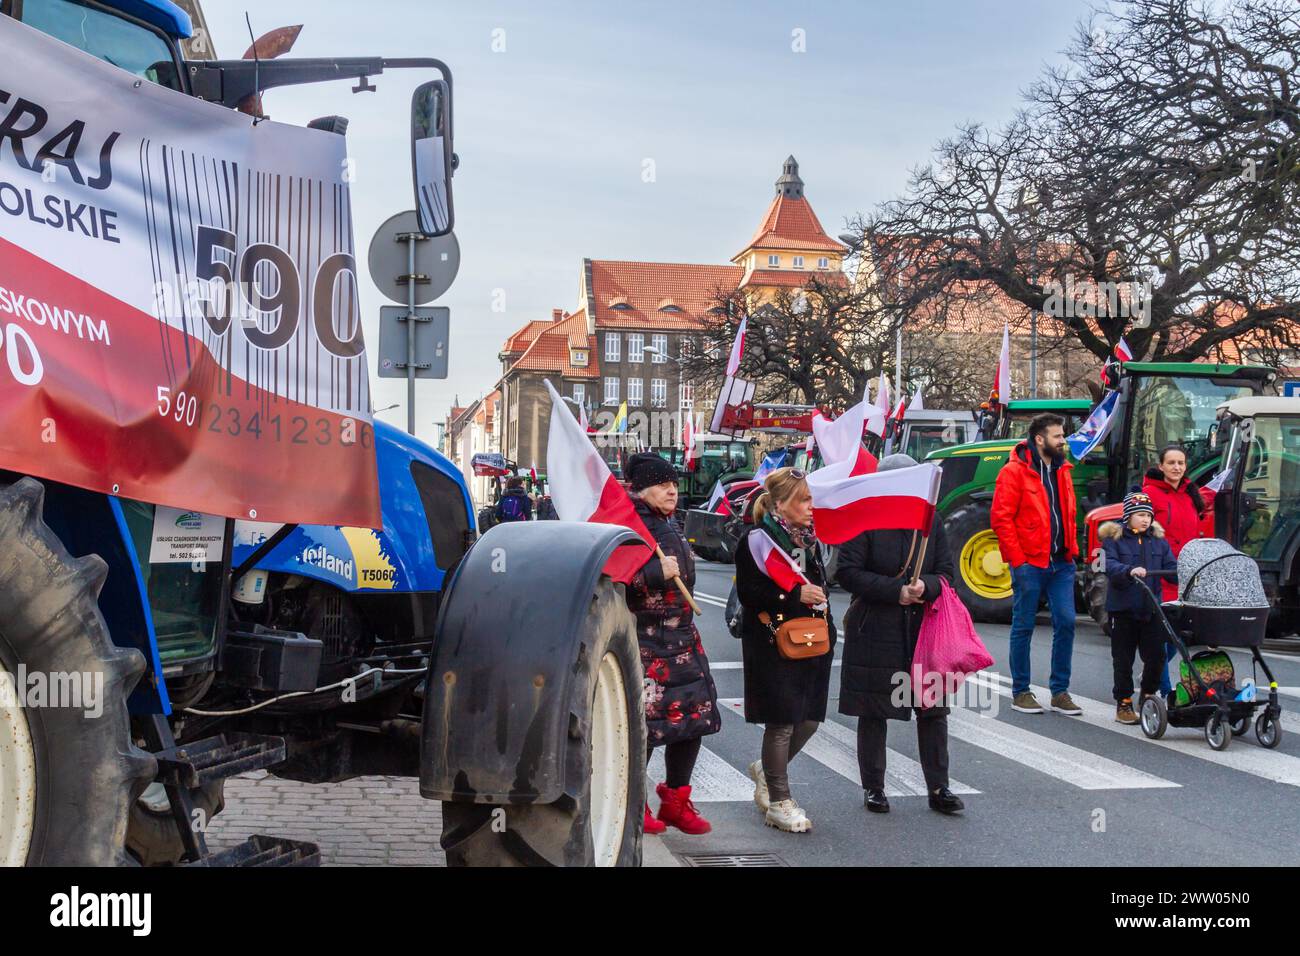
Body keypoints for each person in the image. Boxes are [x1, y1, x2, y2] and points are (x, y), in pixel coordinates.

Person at [836, 453, 963, 815]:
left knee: (933, 711)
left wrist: (928, 586)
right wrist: (896, 591)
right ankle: (874, 787)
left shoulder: (930, 519)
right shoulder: (865, 519)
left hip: (924, 629)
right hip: (876, 626)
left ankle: (939, 787)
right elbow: (847, 572)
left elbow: (947, 572)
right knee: (873, 710)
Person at [623, 452, 720, 836]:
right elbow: (614, 578)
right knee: (644, 729)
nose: (672, 490)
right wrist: (652, 572)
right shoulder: (629, 524)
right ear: (642, 488)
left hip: (681, 640)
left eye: (674, 484)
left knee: (693, 720)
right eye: (663, 484)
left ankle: (676, 800)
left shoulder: (668, 522)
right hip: (647, 645)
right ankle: (635, 805)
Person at [734, 467, 836, 833]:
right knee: (781, 721)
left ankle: (766, 769)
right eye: (804, 500)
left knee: (809, 718)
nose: (812, 507)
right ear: (780, 504)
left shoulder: (809, 540)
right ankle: (779, 801)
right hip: (772, 639)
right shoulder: (757, 541)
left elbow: (821, 585)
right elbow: (749, 594)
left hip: (813, 638)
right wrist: (793, 595)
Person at [990, 412, 1083, 716]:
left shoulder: (1063, 470)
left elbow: (1067, 513)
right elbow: (1001, 519)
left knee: (1067, 622)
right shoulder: (1014, 472)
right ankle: (1021, 691)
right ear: (1040, 439)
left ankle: (1060, 691)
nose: (1063, 441)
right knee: (1024, 625)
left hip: (1061, 562)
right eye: (1058, 436)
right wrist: (1018, 560)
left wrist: (1073, 549)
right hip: (1029, 562)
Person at [1140, 445, 1213, 698]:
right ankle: (1162, 691)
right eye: (1171, 463)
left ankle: (1151, 671)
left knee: (1177, 638)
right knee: (1162, 636)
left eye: (1181, 463)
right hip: (1158, 573)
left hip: (1184, 574)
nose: (1177, 467)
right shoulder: (1149, 494)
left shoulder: (1190, 495)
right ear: (1161, 466)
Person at [1100, 492, 1178, 724]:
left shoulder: (1159, 542)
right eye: (1140, 515)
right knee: (1123, 658)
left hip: (1151, 608)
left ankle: (1147, 695)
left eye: (1148, 515)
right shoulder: (1113, 541)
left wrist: (1183, 572)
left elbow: (1172, 567)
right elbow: (1108, 565)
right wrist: (1128, 570)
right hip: (1123, 609)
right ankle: (1123, 702)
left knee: (1157, 655)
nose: (1145, 520)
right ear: (1128, 517)